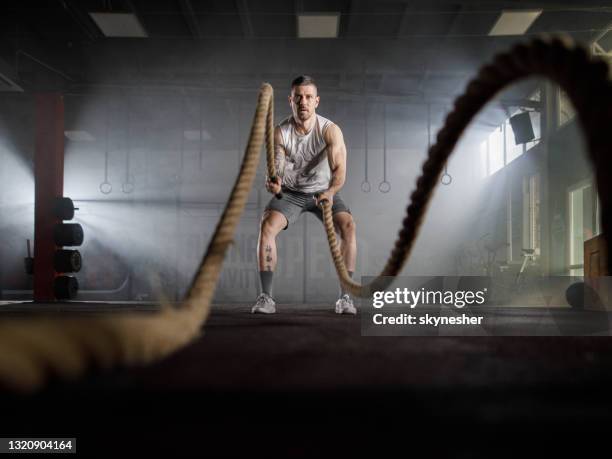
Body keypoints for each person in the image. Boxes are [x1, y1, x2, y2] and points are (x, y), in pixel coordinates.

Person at [252, 75, 357, 315]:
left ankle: (345, 298)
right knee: (267, 226)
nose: (303, 102)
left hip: (323, 192)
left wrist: (330, 192)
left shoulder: (330, 131)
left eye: (309, 97)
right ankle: (266, 297)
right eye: (298, 97)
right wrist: (275, 184)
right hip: (292, 193)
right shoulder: (281, 132)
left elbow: (340, 170)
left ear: (316, 101)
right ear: (291, 100)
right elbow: (276, 171)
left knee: (349, 227)